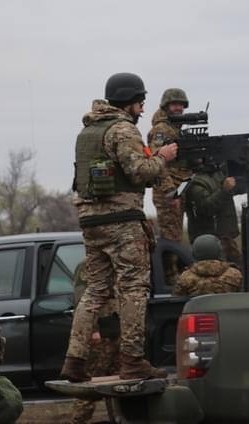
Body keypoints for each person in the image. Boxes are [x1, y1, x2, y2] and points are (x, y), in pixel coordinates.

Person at [62, 72, 178, 382]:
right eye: (140, 103)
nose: (142, 110)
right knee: (133, 289)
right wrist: (163, 158)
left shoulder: (87, 132)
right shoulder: (123, 130)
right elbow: (140, 172)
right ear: (129, 102)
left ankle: (74, 361)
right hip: (121, 222)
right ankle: (133, 361)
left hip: (90, 221)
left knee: (96, 290)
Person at [147, 88, 192, 282]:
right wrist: (169, 191)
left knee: (175, 236)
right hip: (168, 192)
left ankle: (174, 275)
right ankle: (169, 279)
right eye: (174, 104)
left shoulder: (175, 128)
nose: (178, 108)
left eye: (181, 104)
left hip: (177, 189)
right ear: (166, 106)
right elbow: (158, 162)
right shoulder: (161, 130)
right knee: (170, 237)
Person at [69, 260, 120, 424]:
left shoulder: (117, 262)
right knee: (89, 383)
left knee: (118, 383)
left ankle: (117, 418)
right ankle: (79, 420)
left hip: (116, 331)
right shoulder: (88, 265)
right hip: (100, 333)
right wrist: (92, 329)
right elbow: (82, 299)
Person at [183, 162, 243, 266]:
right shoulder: (196, 182)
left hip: (226, 239)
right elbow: (206, 207)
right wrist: (224, 191)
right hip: (208, 244)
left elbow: (242, 187)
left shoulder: (219, 175)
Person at [173, 235, 243, 296]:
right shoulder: (235, 275)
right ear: (219, 252)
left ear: (194, 254)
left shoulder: (185, 278)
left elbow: (177, 302)